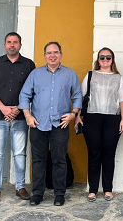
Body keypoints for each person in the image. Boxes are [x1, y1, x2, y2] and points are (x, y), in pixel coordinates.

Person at [19, 41, 82, 206]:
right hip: (38, 124)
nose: (52, 55)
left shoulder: (70, 74)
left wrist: (73, 115)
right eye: (49, 53)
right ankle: (37, 194)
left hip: (59, 125)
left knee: (59, 160)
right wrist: (27, 116)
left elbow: (77, 96)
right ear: (44, 55)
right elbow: (24, 95)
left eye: (55, 52)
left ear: (61, 54)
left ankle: (59, 194)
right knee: (38, 160)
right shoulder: (35, 74)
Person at [0, 32, 36, 204]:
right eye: (9, 42)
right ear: (5, 45)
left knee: (20, 154)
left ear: (20, 45)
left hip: (21, 117)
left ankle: (20, 187)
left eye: (15, 42)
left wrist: (17, 109)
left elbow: (32, 90)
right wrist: (5, 109)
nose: (12, 45)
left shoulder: (29, 65)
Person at [81, 47, 123, 202]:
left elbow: (122, 100)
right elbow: (82, 97)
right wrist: (79, 117)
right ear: (98, 60)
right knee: (94, 154)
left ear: (112, 59)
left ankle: (108, 189)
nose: (105, 60)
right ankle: (93, 190)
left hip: (112, 118)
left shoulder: (118, 78)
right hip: (92, 118)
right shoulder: (90, 76)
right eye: (102, 57)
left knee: (108, 154)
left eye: (108, 57)